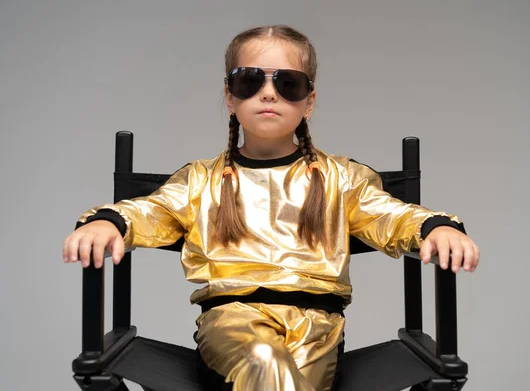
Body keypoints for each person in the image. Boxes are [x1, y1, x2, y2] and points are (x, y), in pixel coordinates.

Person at [63, 25, 480, 391]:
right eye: (249, 81)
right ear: (230, 96)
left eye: (288, 83)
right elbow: (149, 212)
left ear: (309, 101)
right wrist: (109, 222)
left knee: (284, 377)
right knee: (264, 358)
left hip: (318, 330)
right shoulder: (199, 181)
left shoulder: (341, 179)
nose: (268, 93)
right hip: (232, 324)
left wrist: (437, 227)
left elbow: (391, 215)